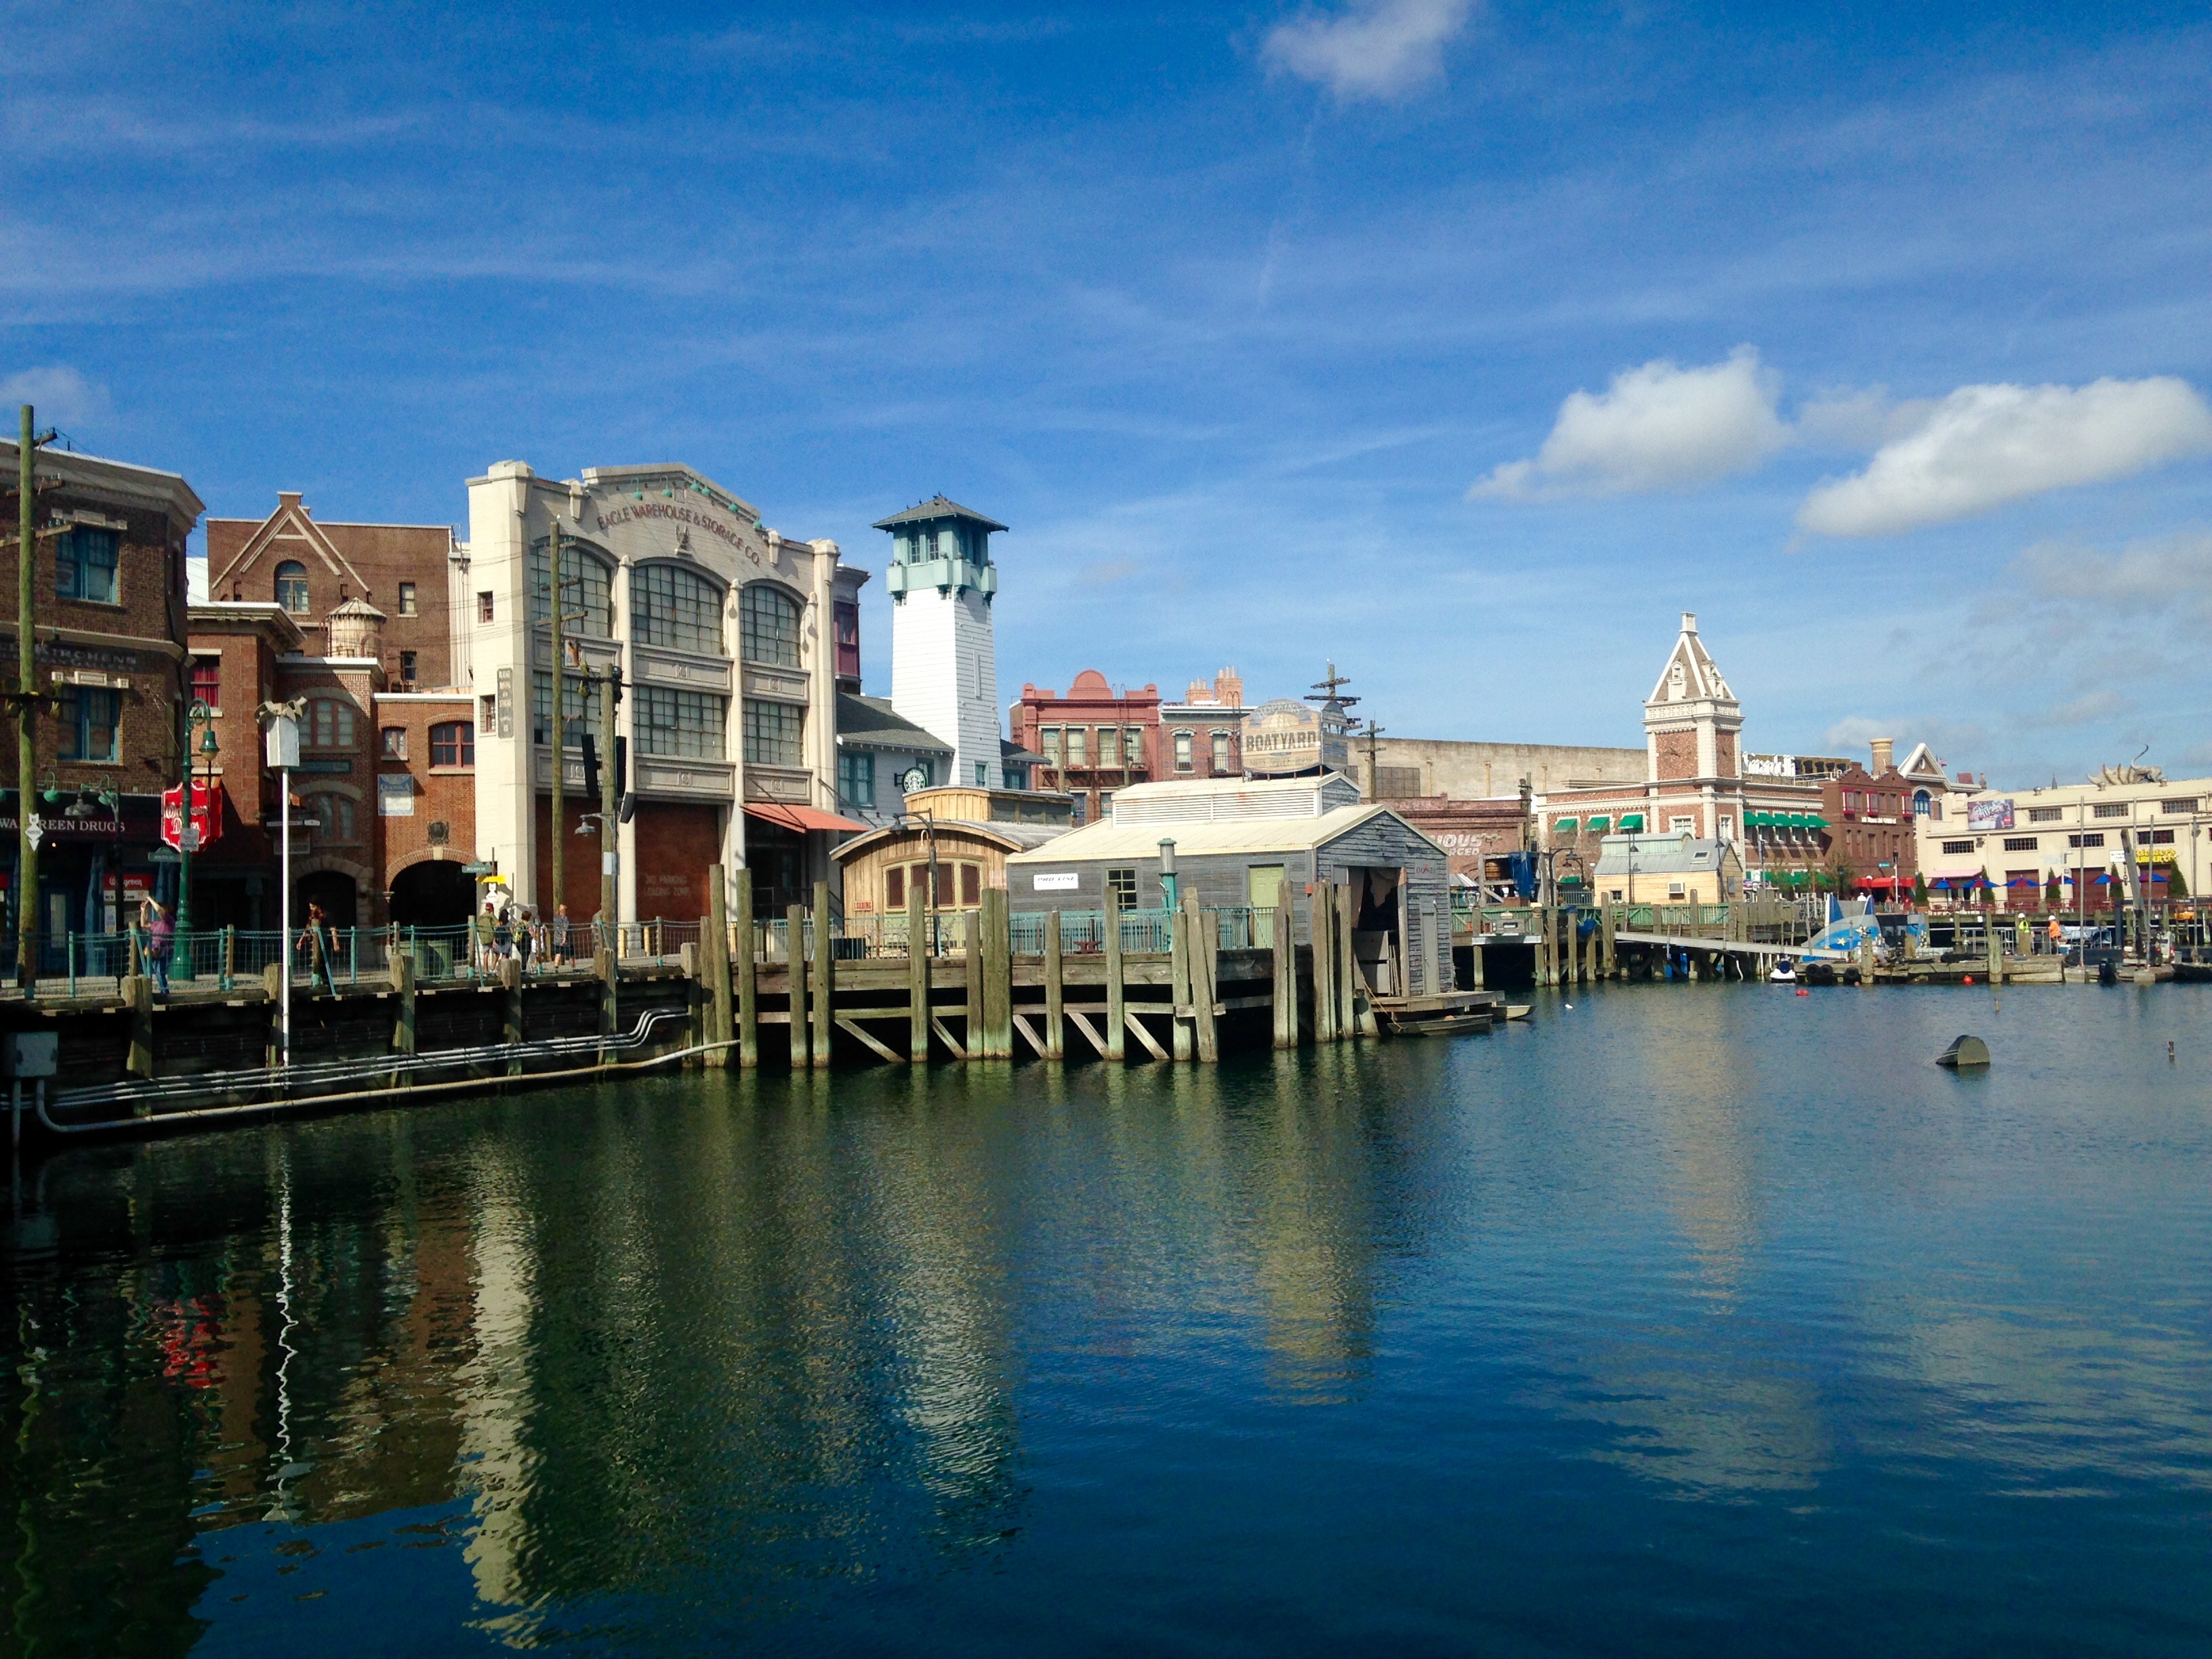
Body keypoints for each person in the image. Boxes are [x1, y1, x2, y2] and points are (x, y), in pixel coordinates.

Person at [302, 900, 338, 994]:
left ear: (318, 906)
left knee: (324, 963)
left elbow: (333, 929)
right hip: (314, 944)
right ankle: (317, 983)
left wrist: (335, 944)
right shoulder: (312, 916)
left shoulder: (326, 915)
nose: (311, 909)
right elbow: (307, 928)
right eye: (310, 907)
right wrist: (301, 941)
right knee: (316, 962)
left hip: (324, 943)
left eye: (313, 907)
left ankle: (327, 984)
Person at [141, 897, 173, 998]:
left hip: (163, 950)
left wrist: (150, 899)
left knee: (160, 971)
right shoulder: (157, 924)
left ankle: (165, 992)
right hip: (154, 950)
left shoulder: (169, 921)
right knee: (156, 971)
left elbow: (159, 910)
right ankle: (162, 991)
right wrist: (143, 911)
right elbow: (143, 924)